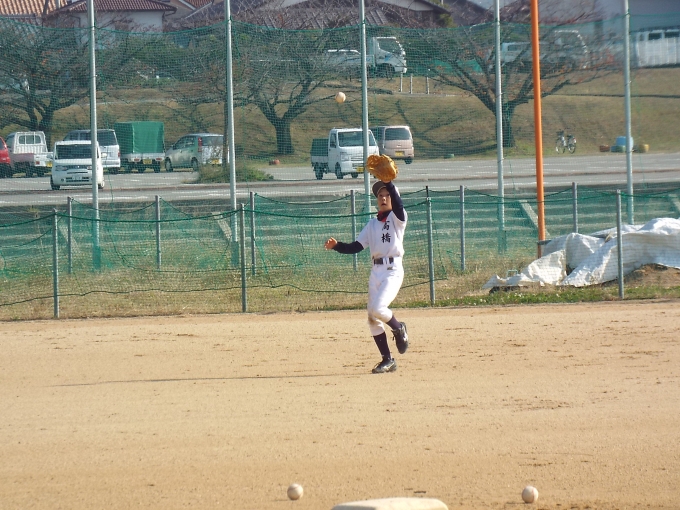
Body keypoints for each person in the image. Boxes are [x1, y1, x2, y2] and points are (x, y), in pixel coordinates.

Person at [324, 180, 409, 374]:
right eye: (380, 195)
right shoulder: (372, 224)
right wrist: (337, 246)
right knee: (372, 317)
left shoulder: (398, 218)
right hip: (376, 271)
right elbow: (356, 247)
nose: (383, 198)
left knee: (379, 308)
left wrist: (388, 181)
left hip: (393, 270)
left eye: (387, 195)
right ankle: (388, 360)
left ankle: (398, 328)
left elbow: (399, 204)